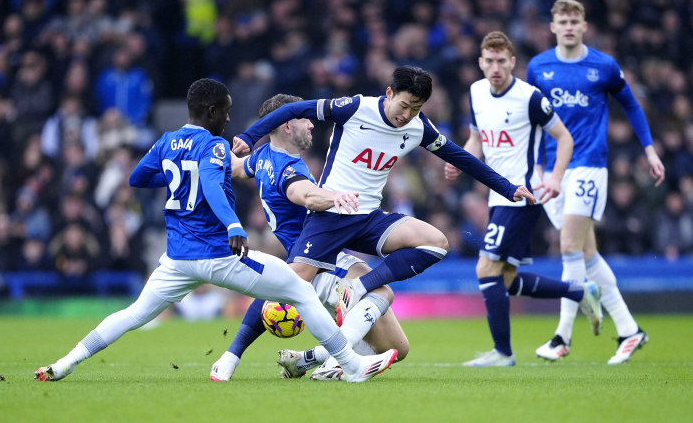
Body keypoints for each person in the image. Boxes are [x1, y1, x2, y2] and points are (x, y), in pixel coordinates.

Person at [34, 79, 397, 383]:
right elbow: (209, 183)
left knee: (132, 314)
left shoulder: (167, 141)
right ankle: (352, 365)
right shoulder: (215, 146)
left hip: (176, 259)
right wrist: (234, 224)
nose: (228, 118)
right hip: (218, 255)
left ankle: (65, 363)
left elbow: (137, 177)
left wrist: (179, 175)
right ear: (211, 112)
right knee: (301, 291)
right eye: (225, 111)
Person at [232, 66, 537, 352]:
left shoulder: (418, 128)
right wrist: (248, 137)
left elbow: (461, 158)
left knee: (436, 243)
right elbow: (291, 109)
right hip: (330, 216)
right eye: (404, 105)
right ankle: (233, 354)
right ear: (389, 94)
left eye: (416, 108)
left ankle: (357, 289)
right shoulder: (354, 108)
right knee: (292, 282)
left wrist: (507, 188)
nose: (407, 115)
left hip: (368, 218)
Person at [212, 94, 409, 382]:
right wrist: (334, 196)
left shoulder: (262, 156)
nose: (312, 125)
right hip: (321, 258)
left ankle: (297, 359)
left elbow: (236, 168)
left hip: (302, 258)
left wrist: (209, 145)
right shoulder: (290, 168)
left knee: (397, 348)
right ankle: (336, 365)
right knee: (381, 290)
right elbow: (302, 194)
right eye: (305, 119)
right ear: (287, 126)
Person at [445, 31, 602, 367]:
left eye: (502, 60)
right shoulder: (475, 92)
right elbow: (477, 139)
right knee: (505, 279)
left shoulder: (530, 98)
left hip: (523, 195)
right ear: (481, 63)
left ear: (513, 62)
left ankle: (503, 353)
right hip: (497, 196)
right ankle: (578, 292)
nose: (496, 66)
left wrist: (555, 177)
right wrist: (459, 163)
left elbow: (564, 138)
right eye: (490, 60)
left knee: (485, 267)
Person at [526, 0, 665, 364]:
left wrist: (649, 150)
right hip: (554, 170)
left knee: (568, 245)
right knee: (587, 255)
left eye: (575, 20)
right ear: (552, 27)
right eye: (562, 21)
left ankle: (562, 337)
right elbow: (534, 121)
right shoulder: (539, 67)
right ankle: (630, 330)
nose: (569, 26)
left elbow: (632, 105)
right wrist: (537, 167)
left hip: (589, 165)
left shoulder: (603, 66)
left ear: (584, 25)